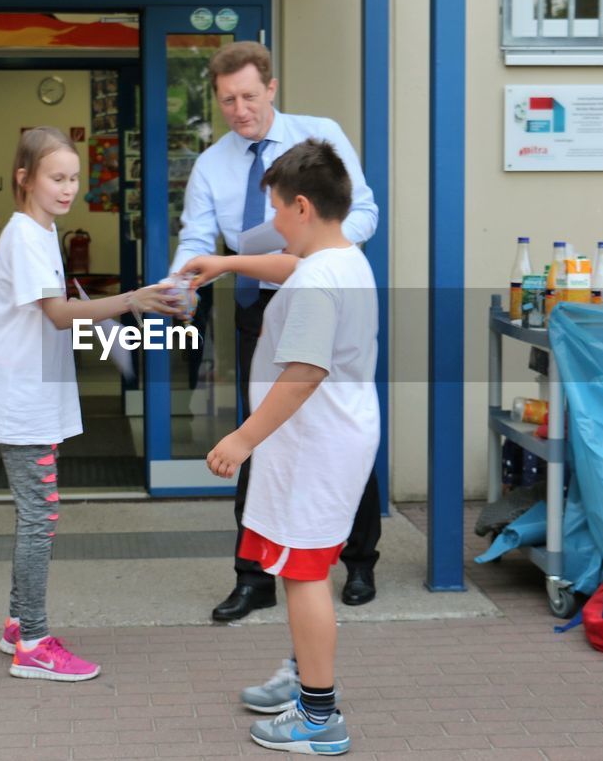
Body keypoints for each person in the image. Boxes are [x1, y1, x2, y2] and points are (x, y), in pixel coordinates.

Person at [170, 40, 382, 622]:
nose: (238, 109)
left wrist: (322, 250)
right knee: (262, 429)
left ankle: (359, 561)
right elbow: (196, 238)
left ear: (271, 88)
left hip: (320, 288)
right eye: (226, 100)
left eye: (247, 96)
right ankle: (254, 576)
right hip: (257, 305)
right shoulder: (212, 163)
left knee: (333, 429)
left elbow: (361, 210)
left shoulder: (319, 137)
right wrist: (180, 282)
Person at [188, 139, 377, 755]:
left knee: (302, 574)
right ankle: (304, 676)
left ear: (300, 206)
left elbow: (303, 372)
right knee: (306, 568)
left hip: (315, 444)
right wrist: (227, 266)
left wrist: (242, 439)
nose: (270, 223)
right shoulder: (340, 257)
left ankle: (318, 717)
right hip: (331, 437)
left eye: (274, 209)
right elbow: (290, 269)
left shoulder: (323, 279)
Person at [0, 127, 178, 681]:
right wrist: (131, 301)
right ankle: (34, 643)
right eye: (57, 177)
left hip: (32, 396)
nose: (69, 188)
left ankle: (21, 627)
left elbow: (58, 310)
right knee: (39, 517)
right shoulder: (25, 235)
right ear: (25, 179)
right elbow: (58, 313)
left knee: (36, 514)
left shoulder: (42, 231)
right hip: (23, 402)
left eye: (74, 178)